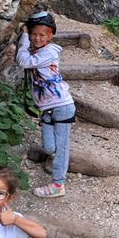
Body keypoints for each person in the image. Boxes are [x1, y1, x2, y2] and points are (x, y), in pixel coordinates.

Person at [16, 11, 75, 198]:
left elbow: (24, 61)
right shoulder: (39, 51)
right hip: (47, 108)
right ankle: (57, 166)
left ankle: (58, 184)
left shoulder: (48, 52)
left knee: (61, 148)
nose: (37, 38)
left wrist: (24, 37)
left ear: (51, 36)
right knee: (50, 147)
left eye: (42, 35)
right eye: (34, 34)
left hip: (62, 106)